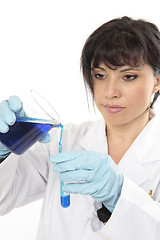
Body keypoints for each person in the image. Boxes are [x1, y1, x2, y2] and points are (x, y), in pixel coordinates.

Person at [0, 16, 160, 240]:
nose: (110, 91)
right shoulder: (62, 141)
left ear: (157, 80)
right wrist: (3, 150)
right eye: (100, 75)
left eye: (128, 76)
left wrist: (119, 196)